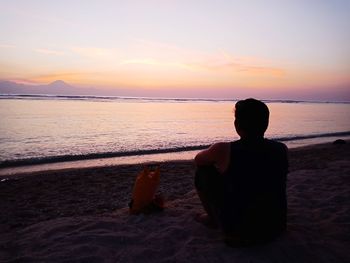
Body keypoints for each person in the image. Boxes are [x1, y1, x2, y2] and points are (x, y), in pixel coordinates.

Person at [194, 98, 288, 246]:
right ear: (266, 124)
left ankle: (212, 218)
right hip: (275, 227)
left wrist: (220, 161)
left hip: (237, 232)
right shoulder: (281, 149)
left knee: (203, 172)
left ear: (237, 125)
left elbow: (198, 159)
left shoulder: (224, 150)